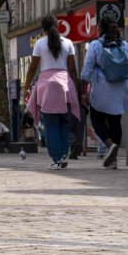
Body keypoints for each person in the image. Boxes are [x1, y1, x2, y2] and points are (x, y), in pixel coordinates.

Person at [24, 14, 80, 170]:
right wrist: (76, 87)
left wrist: (26, 87)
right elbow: (72, 68)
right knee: (64, 122)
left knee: (50, 124)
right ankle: (63, 155)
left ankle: (56, 158)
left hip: (46, 87)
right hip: (64, 85)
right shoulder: (68, 43)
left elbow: (33, 68)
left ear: (43, 29)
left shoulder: (39, 44)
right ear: (58, 26)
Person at [81, 10, 128, 169]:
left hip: (102, 91)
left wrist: (84, 93)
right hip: (121, 89)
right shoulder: (126, 46)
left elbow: (86, 73)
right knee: (115, 121)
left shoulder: (96, 45)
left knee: (96, 119)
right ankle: (113, 159)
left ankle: (110, 145)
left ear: (100, 28)